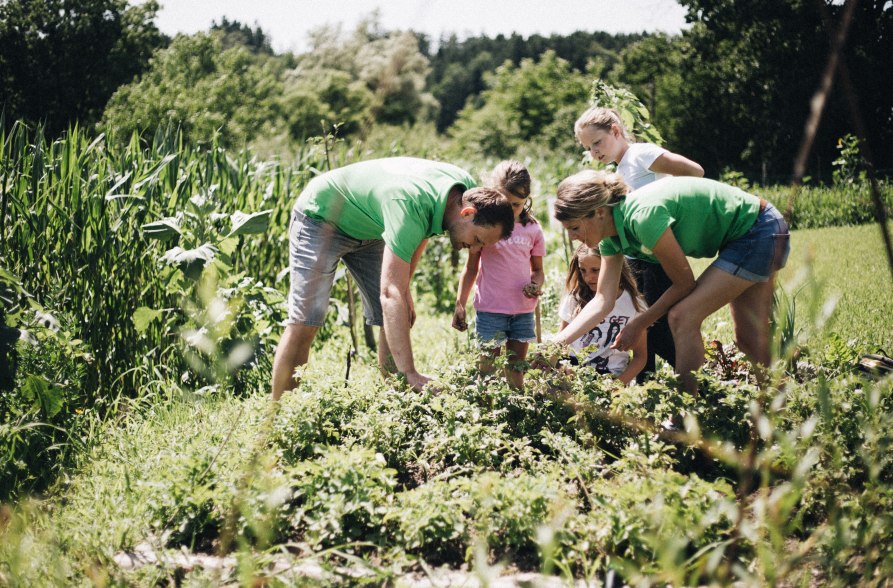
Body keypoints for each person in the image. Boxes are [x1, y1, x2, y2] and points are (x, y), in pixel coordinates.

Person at [271, 157, 516, 400]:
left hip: (373, 226)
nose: (474, 250)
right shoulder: (409, 206)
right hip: (322, 217)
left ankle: (395, 394)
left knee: (397, 313)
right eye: (478, 240)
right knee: (306, 321)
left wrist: (405, 287)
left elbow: (424, 227)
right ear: (467, 213)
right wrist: (411, 371)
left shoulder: (465, 191)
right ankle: (280, 418)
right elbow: (390, 292)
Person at [551, 171, 790, 393]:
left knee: (683, 316)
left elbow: (684, 283)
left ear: (600, 212)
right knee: (748, 339)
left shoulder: (642, 217)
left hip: (759, 230)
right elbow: (603, 300)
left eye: (574, 228)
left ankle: (684, 414)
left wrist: (639, 323)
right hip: (752, 232)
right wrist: (555, 345)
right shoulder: (610, 239)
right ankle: (778, 406)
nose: (573, 238)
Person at [574, 106, 704, 379]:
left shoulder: (640, 154)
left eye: (597, 142)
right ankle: (647, 387)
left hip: (657, 253)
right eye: (588, 147)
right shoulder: (618, 170)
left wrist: (672, 214)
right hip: (636, 257)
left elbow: (695, 171)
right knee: (642, 327)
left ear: (616, 130)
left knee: (656, 327)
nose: (594, 151)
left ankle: (700, 385)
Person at [452, 161, 546, 389]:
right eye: (504, 202)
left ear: (526, 200)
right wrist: (460, 303)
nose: (509, 210)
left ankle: (514, 415)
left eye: (516, 204)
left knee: (517, 371)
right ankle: (486, 415)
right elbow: (471, 268)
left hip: (523, 312)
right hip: (491, 310)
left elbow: (538, 270)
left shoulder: (532, 229)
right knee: (487, 370)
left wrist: (535, 285)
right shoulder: (483, 228)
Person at [558, 244, 646, 386]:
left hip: (611, 376)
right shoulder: (575, 299)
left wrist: (617, 385)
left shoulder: (634, 304)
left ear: (614, 267)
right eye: (583, 270)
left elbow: (640, 357)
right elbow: (561, 343)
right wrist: (564, 369)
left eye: (595, 270)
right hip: (575, 372)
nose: (588, 277)